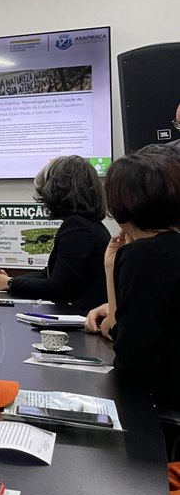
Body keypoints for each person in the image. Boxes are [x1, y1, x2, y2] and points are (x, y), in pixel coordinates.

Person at [82, 151, 180, 404]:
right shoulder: (166, 247)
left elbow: (129, 357)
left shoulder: (142, 256)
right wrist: (110, 267)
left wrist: (115, 316)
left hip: (157, 403)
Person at [0, 156, 109, 313]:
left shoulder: (78, 228)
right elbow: (49, 273)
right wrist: (9, 280)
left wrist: (9, 283)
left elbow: (58, 286)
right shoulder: (86, 224)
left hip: (80, 318)